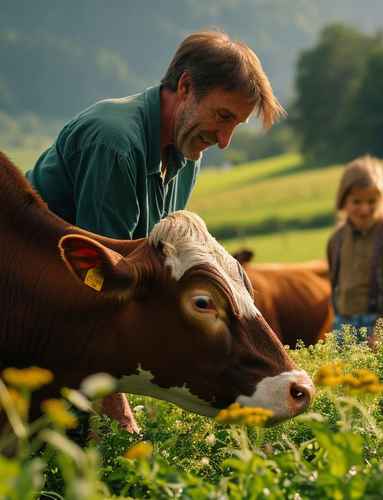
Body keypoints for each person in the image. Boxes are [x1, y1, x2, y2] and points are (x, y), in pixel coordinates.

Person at [26, 30, 284, 433]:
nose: (225, 140)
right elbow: (101, 300)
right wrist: (120, 410)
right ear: (185, 86)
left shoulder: (186, 152)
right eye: (223, 116)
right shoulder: (116, 142)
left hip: (63, 333)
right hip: (30, 317)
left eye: (236, 125)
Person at [326, 155, 383, 346]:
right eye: (357, 202)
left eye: (372, 201)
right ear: (343, 201)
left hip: (382, 323)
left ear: (382, 199)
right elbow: (335, 287)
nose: (365, 209)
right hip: (344, 323)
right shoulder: (337, 239)